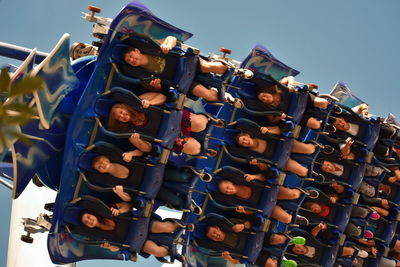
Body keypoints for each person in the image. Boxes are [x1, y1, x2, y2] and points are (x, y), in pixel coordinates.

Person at [120, 35, 251, 103]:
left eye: (131, 56)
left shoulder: (151, 48)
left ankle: (236, 71)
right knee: (205, 94)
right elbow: (160, 90)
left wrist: (168, 46)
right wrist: (157, 86)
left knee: (208, 66)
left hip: (187, 63)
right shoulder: (143, 74)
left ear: (137, 51)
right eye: (129, 61)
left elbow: (172, 38)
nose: (132, 60)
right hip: (180, 80)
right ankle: (227, 98)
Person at [108, 103, 222, 156]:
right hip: (169, 137)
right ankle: (204, 148)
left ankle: (208, 119)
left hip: (174, 120)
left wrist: (150, 102)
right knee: (195, 149)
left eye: (122, 112)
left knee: (200, 125)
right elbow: (148, 148)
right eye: (119, 118)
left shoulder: (138, 103)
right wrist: (138, 142)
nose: (122, 116)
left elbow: (161, 97)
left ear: (125, 108)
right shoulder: (131, 133)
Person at [80, 209, 184, 258]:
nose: (89, 220)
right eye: (86, 222)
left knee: (164, 227)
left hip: (140, 225)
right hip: (135, 240)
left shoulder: (107, 210)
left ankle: (182, 225)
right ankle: (176, 255)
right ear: (88, 227)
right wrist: (110, 248)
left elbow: (127, 205)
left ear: (92, 214)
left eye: (88, 217)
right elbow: (117, 248)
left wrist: (119, 210)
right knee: (158, 252)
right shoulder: (100, 237)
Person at [235, 131, 319, 177]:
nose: (246, 142)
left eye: (244, 139)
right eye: (243, 143)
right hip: (278, 159)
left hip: (282, 144)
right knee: (303, 172)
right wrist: (259, 164)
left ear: (247, 135)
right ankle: (317, 175)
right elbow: (265, 168)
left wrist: (268, 130)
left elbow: (278, 129)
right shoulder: (251, 156)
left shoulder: (259, 132)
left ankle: (319, 150)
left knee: (309, 149)